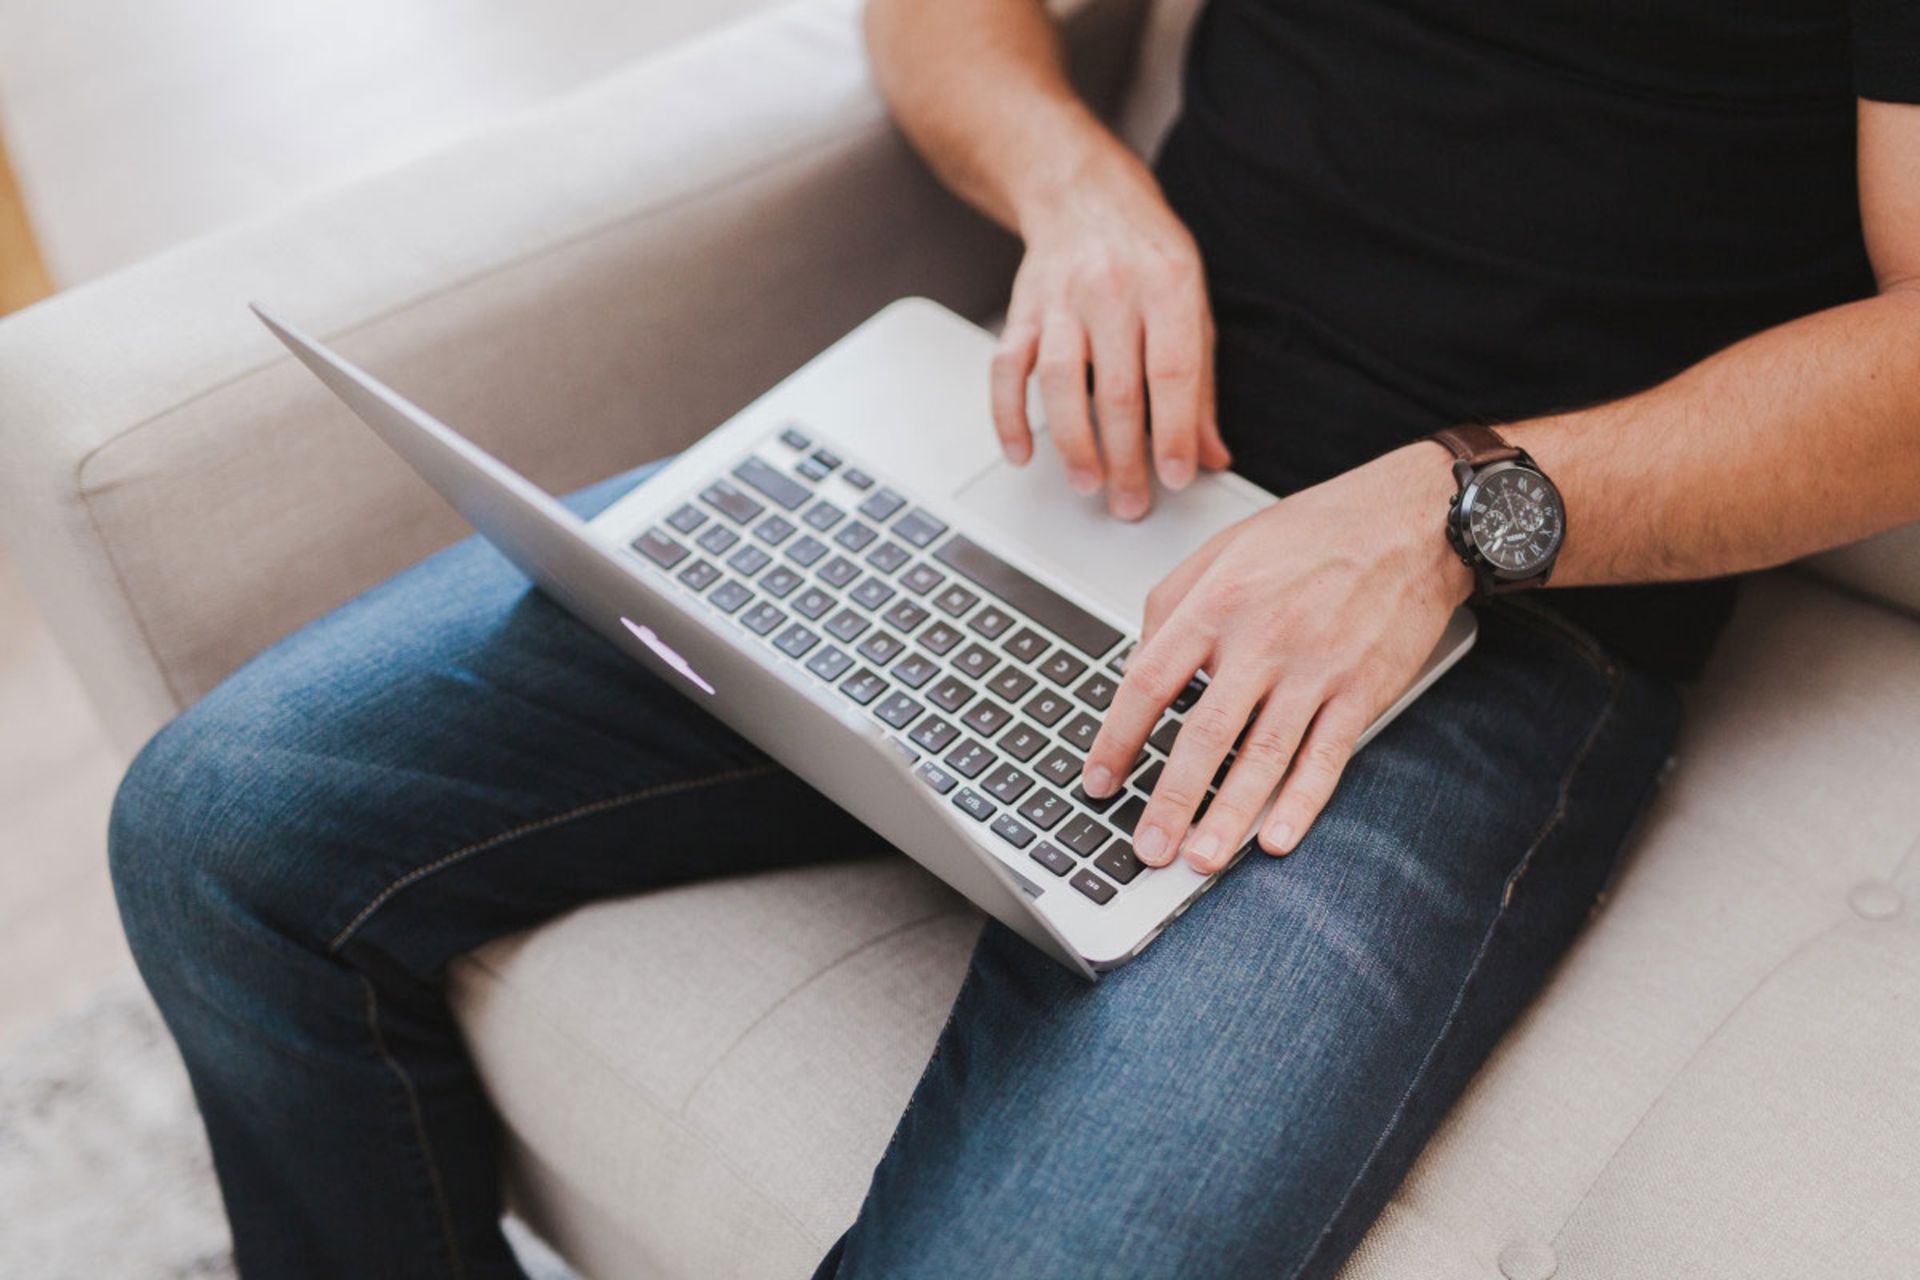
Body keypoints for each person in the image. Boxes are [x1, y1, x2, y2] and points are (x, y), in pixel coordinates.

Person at [108, 0, 1920, 1274]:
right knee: (220, 824)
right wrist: (1078, 187)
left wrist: (1455, 517)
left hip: (1486, 614)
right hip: (1070, 453)